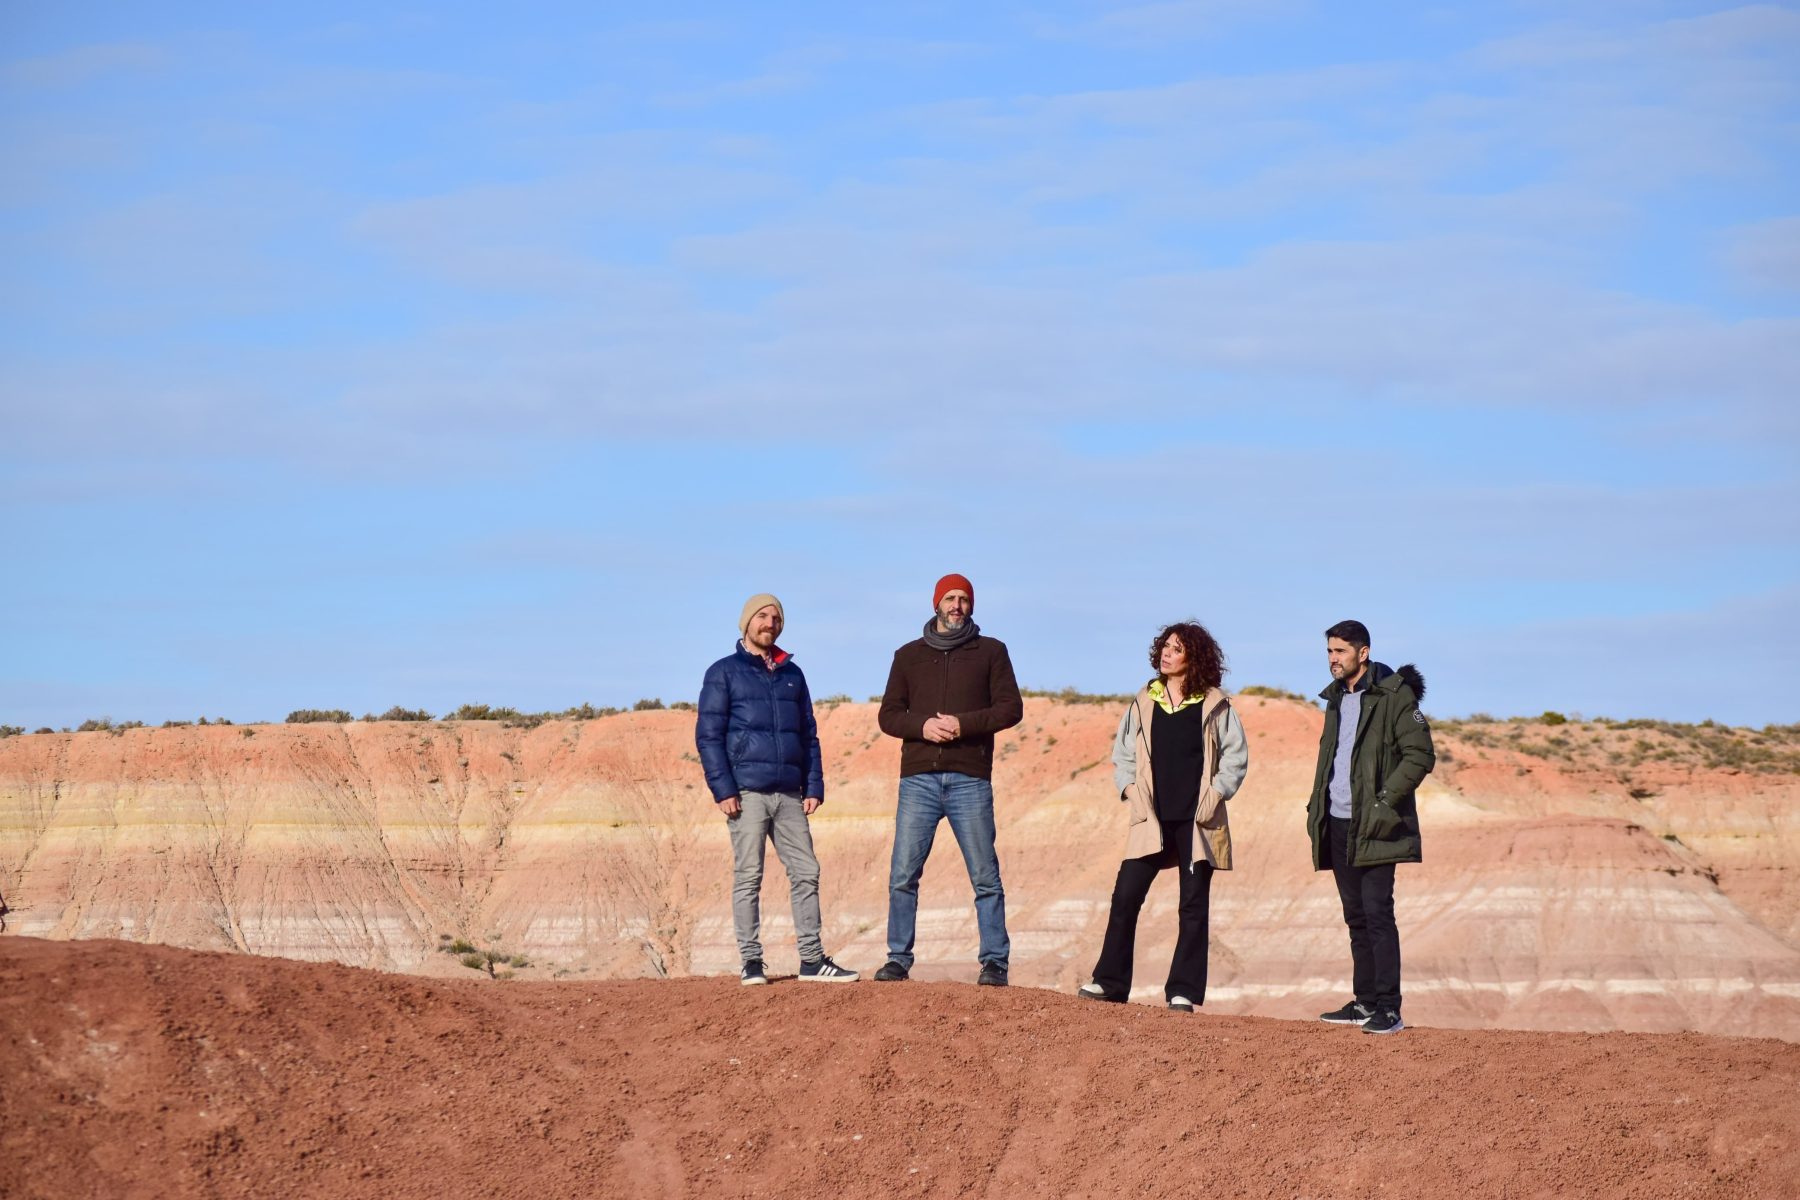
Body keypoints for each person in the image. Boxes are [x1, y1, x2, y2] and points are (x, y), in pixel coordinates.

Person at [1078, 622, 1248, 1011]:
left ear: (1195, 657)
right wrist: (1129, 791)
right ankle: (1110, 982)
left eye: (1176, 648)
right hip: (1151, 817)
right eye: (1164, 647)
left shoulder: (1214, 703)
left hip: (1196, 820)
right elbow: (1123, 754)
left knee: (1192, 907)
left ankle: (1182, 991)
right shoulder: (1144, 699)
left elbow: (1235, 757)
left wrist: (1216, 795)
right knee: (1125, 896)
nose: (1166, 654)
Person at [696, 593, 858, 985]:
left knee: (806, 871)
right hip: (746, 793)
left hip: (789, 793)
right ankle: (751, 963)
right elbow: (708, 736)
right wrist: (723, 790)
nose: (770, 623)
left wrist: (813, 785)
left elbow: (809, 734)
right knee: (749, 875)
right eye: (762, 616)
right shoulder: (724, 672)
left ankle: (812, 960)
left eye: (776, 618)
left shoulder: (793, 674)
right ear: (747, 622)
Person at [874, 573, 1023, 986]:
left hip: (970, 779)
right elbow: (888, 715)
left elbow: (1010, 708)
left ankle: (995, 962)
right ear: (936, 603)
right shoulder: (907, 656)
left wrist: (963, 725)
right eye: (950, 598)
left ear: (971, 605)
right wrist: (922, 727)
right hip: (918, 779)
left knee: (985, 876)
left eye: (963, 599)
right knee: (903, 874)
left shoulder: (991, 651)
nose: (957, 605)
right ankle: (897, 959)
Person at [1306, 619, 1434, 1035]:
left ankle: (1389, 1008)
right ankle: (1364, 1002)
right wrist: (1318, 805)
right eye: (1329, 651)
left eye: (1340, 651)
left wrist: (1383, 803)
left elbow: (1420, 755)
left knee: (1378, 914)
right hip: (1339, 821)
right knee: (1355, 916)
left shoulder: (1395, 696)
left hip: (1377, 824)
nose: (1332, 659)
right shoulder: (1336, 699)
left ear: (1363, 652)